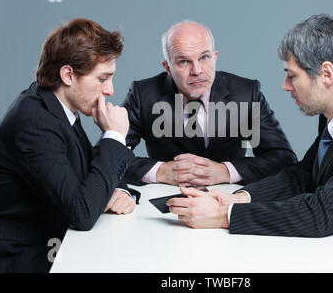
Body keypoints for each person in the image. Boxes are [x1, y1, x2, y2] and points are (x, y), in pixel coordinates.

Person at [167, 14, 333, 273]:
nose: (285, 86)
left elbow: (323, 213)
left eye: (292, 75)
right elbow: (304, 176)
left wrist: (224, 216)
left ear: (326, 73)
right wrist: (237, 198)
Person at [0, 18, 139, 273]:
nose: (109, 90)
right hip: (17, 257)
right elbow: (83, 212)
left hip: (52, 241)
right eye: (102, 78)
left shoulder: (58, 107)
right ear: (68, 75)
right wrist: (114, 136)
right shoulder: (34, 122)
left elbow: (89, 169)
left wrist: (119, 191)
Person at [122, 20, 296, 186]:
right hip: (161, 203)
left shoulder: (246, 93)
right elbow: (107, 156)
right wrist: (160, 172)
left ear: (215, 57)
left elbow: (282, 158)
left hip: (229, 202)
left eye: (204, 58)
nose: (197, 71)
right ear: (168, 68)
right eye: (183, 61)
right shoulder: (143, 94)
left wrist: (225, 172)